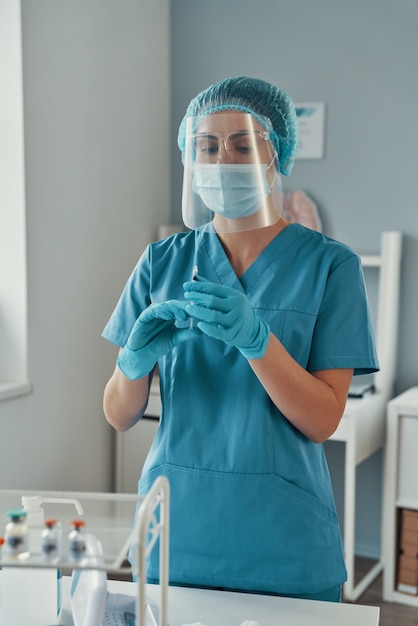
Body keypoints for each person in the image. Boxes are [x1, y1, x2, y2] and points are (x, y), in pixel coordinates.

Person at [102, 76, 379, 602]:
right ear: (189, 156)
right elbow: (119, 415)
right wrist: (132, 364)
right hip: (176, 533)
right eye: (207, 145)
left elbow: (322, 421)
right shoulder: (162, 261)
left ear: (277, 154)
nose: (223, 160)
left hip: (283, 540)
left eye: (242, 144)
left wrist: (258, 341)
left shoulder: (330, 266)